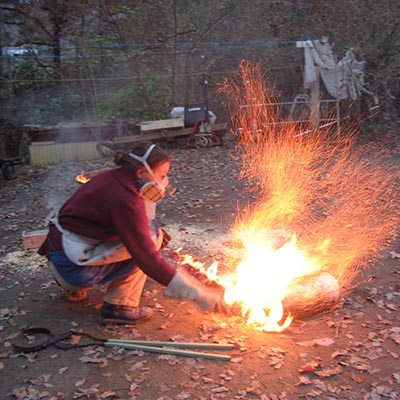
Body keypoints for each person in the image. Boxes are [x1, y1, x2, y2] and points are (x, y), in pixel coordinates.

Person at [38, 142, 224, 325]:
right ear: (142, 172)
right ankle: (119, 307)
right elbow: (147, 258)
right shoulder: (125, 199)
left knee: (150, 233)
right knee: (150, 242)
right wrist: (198, 293)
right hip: (71, 265)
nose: (164, 182)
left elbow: (118, 222)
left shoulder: (113, 178)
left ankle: (71, 284)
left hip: (60, 250)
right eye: (162, 175)